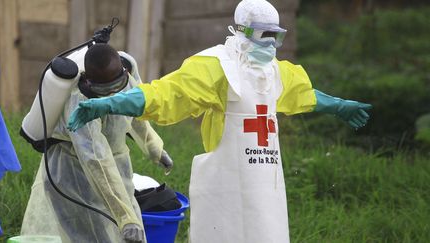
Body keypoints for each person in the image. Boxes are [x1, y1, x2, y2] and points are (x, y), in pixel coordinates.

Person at [67, 0, 372, 242]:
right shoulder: (216, 67)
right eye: (264, 35)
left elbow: (304, 94)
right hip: (226, 191)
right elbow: (164, 94)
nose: (271, 45)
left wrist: (339, 106)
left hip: (267, 191)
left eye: (277, 36)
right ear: (242, 31)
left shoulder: (275, 72)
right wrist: (108, 103)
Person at [21, 44, 173, 243]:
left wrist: (154, 147)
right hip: (73, 176)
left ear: (124, 72)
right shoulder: (80, 104)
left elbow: (134, 111)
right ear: (88, 82)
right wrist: (126, 218)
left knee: (128, 232)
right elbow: (95, 159)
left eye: (115, 87)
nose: (111, 95)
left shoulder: (127, 72)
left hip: (116, 166)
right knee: (93, 237)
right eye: (104, 90)